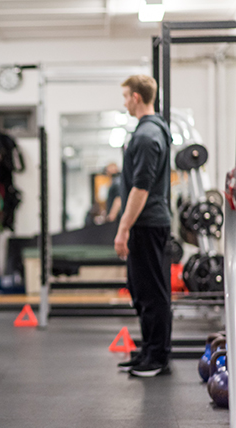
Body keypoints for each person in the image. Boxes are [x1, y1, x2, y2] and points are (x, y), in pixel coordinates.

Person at [114, 74, 172, 377]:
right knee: (140, 290)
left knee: (151, 293)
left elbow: (141, 188)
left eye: (125, 96)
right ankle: (148, 350)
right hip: (145, 223)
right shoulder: (148, 132)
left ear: (136, 97)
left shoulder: (148, 136)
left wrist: (123, 229)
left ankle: (158, 357)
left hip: (146, 223)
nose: (124, 101)